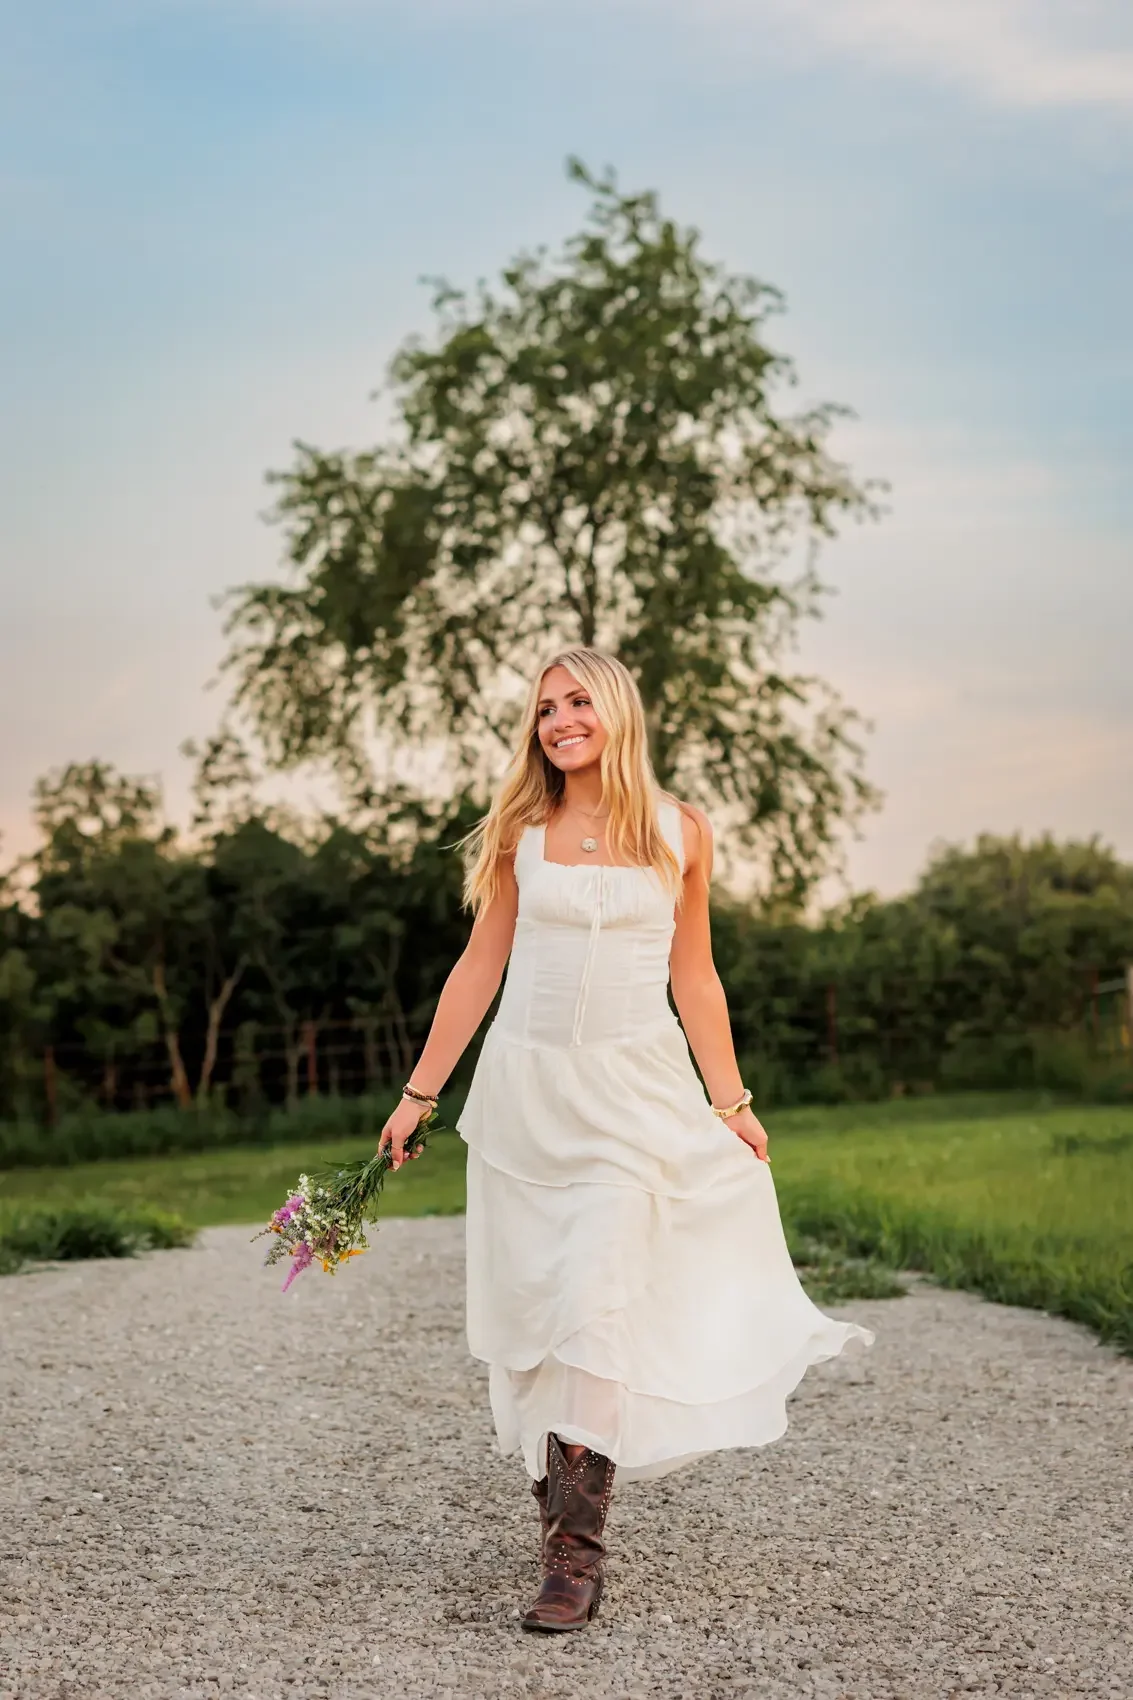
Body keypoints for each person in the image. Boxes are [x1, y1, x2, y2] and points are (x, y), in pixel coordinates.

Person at [378, 645, 874, 1634]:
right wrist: (418, 1092)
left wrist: (729, 1100)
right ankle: (555, 1499)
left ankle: (574, 1557)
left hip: (631, 1096)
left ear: (614, 711)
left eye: (575, 701)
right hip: (526, 1097)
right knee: (532, 1324)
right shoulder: (522, 829)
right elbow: (479, 965)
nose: (557, 718)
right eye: (543, 707)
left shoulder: (680, 831)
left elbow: (694, 974)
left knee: (595, 1297)